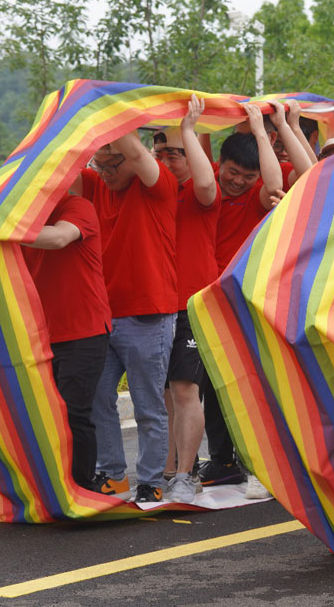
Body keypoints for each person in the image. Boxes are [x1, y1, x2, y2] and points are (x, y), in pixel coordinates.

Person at [82, 131, 178, 503]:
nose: (103, 172)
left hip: (148, 316)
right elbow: (61, 165)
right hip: (103, 316)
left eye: (110, 164)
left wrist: (110, 117)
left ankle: (152, 480)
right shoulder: (95, 186)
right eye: (98, 164)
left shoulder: (158, 185)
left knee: (148, 404)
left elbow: (138, 152)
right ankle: (113, 475)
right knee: (97, 399)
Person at [197, 103, 283, 500]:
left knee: (250, 386)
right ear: (219, 163)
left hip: (245, 302)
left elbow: (274, 181)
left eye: (248, 177)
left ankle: (259, 468)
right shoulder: (206, 189)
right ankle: (222, 462)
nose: (238, 182)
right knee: (212, 385)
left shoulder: (257, 198)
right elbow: (198, 146)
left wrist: (261, 131)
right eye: (233, 172)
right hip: (205, 303)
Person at [153, 95, 219, 503]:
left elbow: (208, 183)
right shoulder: (154, 192)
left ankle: (184, 476)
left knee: (183, 390)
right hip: (156, 304)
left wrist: (191, 131)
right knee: (166, 394)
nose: (164, 160)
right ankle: (174, 469)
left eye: (173, 154)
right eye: (158, 152)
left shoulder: (199, 194)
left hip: (193, 305)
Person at [22, 194, 112, 491]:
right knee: (43, 416)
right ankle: (53, 487)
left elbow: (60, 237)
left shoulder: (77, 206)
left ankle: (82, 487)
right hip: (41, 334)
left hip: (84, 332)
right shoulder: (22, 218)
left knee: (74, 413)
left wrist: (7, 228)